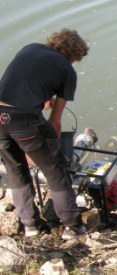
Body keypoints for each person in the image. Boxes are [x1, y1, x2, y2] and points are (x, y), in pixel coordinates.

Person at [0, 29, 90, 240]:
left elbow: (27, 77)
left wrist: (44, 95)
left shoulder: (30, 48)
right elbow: (55, 121)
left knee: (15, 169)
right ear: (74, 55)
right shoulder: (68, 71)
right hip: (23, 120)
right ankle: (72, 226)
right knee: (55, 170)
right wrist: (54, 149)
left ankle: (30, 226)